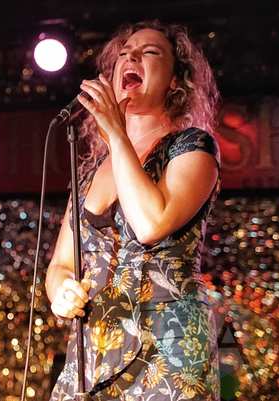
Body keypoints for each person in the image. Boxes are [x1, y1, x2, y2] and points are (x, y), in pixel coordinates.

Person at [46, 20, 221, 400]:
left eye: (149, 52)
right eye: (124, 54)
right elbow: (61, 263)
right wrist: (62, 292)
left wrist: (116, 133)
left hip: (168, 345)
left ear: (175, 81)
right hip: (93, 347)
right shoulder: (90, 170)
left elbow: (150, 224)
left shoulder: (192, 147)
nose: (132, 57)